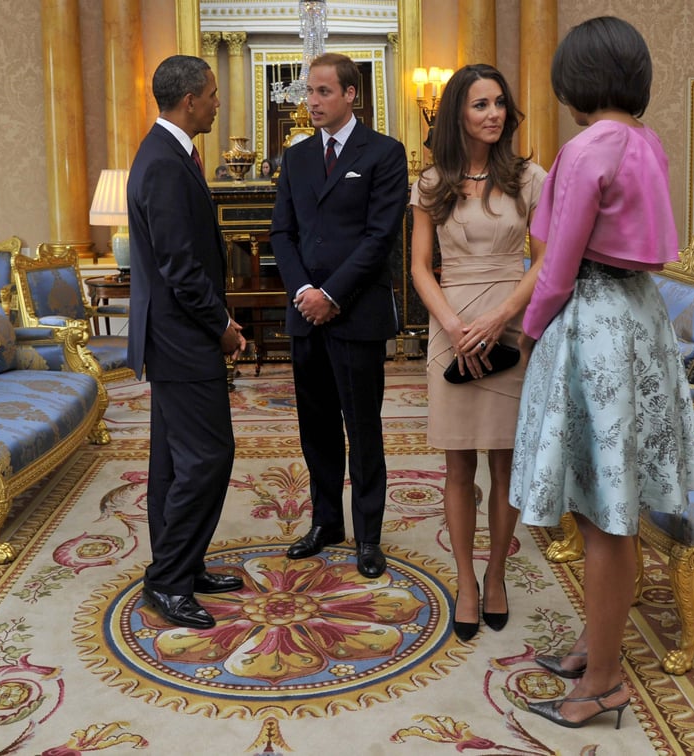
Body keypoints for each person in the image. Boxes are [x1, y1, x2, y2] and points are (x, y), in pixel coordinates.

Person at [509, 17, 694, 728]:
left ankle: (602, 679)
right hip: (639, 318)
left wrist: (528, 333)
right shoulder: (647, 143)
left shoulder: (585, 146)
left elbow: (556, 267)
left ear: (576, 79)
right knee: (611, 507)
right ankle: (596, 651)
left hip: (592, 322)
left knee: (602, 516)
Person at [409, 64, 546, 642]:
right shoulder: (431, 182)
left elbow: (545, 262)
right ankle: (466, 580)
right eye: (479, 105)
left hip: (508, 327)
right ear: (457, 115)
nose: (492, 114)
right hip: (452, 330)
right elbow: (419, 266)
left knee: (506, 463)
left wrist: (499, 318)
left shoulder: (530, 178)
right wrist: (453, 323)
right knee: (459, 464)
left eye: (498, 104)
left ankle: (496, 576)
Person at [270, 52, 408, 579]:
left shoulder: (385, 153)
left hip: (356, 315)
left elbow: (379, 238)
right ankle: (326, 522)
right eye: (309, 93)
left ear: (352, 94)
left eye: (323, 92)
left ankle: (368, 536)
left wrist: (331, 293)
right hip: (305, 314)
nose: (311, 102)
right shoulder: (297, 157)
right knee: (317, 428)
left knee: (363, 428)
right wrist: (305, 289)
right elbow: (282, 234)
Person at [126, 55, 246, 630]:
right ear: (190, 100)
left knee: (173, 461)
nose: (219, 103)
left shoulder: (167, 154)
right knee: (208, 457)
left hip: (173, 334)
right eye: (214, 94)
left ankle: (182, 564)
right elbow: (180, 266)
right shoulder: (165, 164)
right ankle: (169, 581)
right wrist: (221, 326)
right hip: (181, 336)